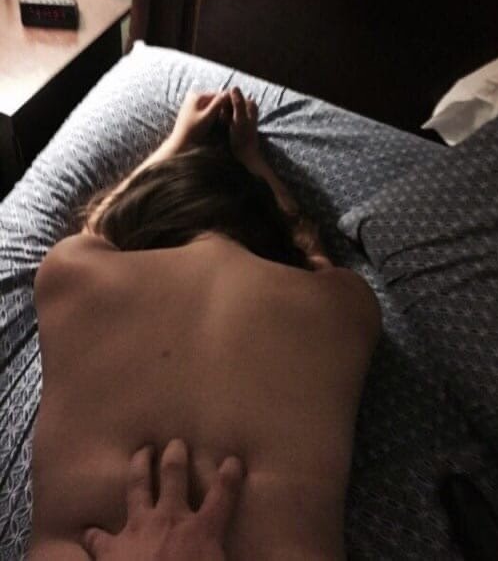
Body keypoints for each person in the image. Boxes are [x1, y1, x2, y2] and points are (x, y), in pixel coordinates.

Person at [28, 88, 381, 560]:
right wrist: (252, 158)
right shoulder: (345, 307)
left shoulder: (73, 273)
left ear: (141, 220)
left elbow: (100, 222)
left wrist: (178, 140)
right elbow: (310, 249)